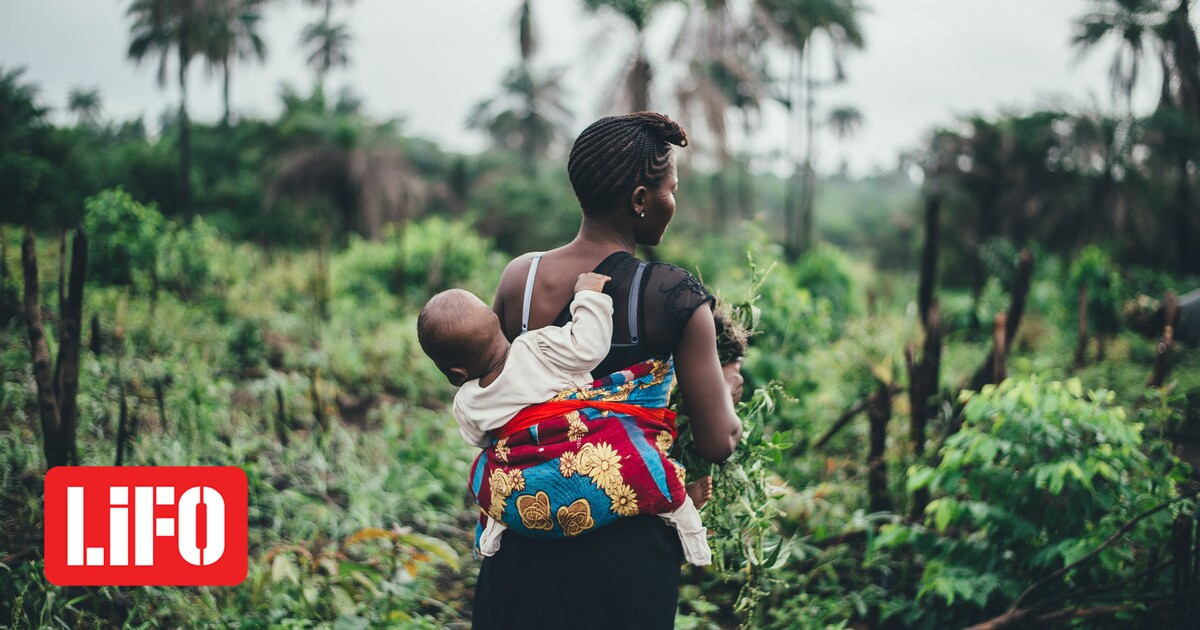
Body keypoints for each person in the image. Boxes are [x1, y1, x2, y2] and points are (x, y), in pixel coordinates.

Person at [471, 111, 743, 630]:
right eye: (670, 189)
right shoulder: (674, 296)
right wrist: (727, 385)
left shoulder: (520, 281)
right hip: (625, 564)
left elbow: (493, 396)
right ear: (640, 199)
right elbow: (717, 442)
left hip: (523, 538)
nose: (673, 203)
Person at [415, 272, 714, 566]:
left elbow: (481, 440)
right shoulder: (536, 346)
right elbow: (589, 348)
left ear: (457, 374)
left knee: (484, 472)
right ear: (496, 324)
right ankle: (683, 515)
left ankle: (494, 527)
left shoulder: (467, 401)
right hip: (581, 458)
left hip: (528, 490)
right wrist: (588, 296)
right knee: (637, 459)